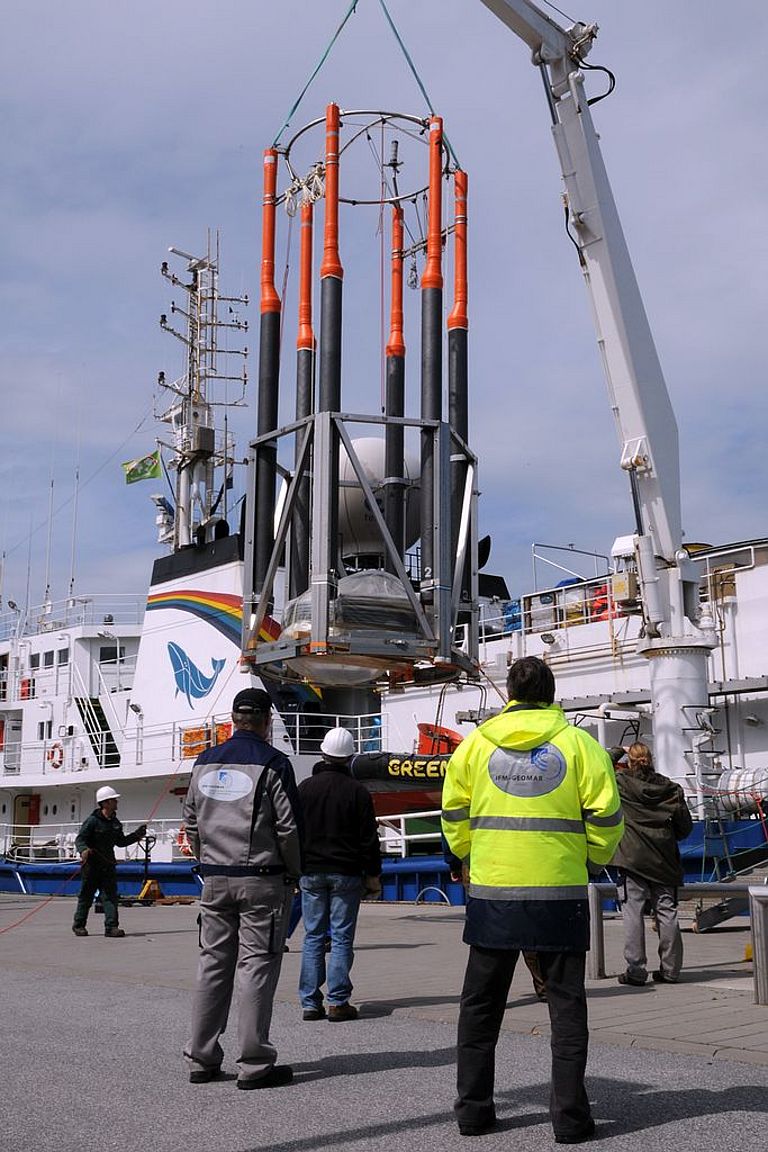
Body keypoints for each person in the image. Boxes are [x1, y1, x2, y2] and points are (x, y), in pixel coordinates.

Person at [442, 656, 623, 1144]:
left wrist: (471, 855)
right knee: (566, 1008)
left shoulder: (475, 745)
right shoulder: (579, 745)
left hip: (493, 894)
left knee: (480, 1007)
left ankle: (474, 1112)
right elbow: (607, 817)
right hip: (559, 893)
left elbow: (453, 814)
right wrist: (589, 861)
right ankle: (570, 1119)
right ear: (551, 693)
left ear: (510, 693)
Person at [182, 687, 302, 1089]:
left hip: (215, 878)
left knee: (212, 964)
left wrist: (207, 860)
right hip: (262, 879)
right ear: (267, 721)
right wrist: (294, 873)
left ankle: (201, 1058)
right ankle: (254, 1064)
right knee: (256, 967)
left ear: (234, 720)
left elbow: (191, 822)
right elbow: (287, 828)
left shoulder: (203, 762)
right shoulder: (274, 763)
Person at [298, 726, 381, 1022]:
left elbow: (293, 832)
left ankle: (310, 1003)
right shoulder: (357, 791)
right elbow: (368, 839)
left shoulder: (304, 788)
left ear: (323, 753)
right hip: (346, 872)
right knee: (342, 938)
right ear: (349, 757)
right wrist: (373, 875)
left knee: (313, 936)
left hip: (310, 872)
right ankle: (338, 1002)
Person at [611, 741, 693, 987]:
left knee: (633, 913)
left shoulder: (621, 783)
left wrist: (619, 750)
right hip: (663, 858)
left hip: (632, 858)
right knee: (667, 911)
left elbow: (601, 765)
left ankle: (636, 970)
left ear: (629, 761)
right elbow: (684, 828)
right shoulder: (671, 788)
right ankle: (671, 970)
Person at [72, 786, 146, 938]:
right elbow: (80, 840)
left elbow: (121, 842)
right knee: (86, 896)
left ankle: (111, 927)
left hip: (108, 866)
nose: (117, 802)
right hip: (91, 866)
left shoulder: (115, 823)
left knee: (110, 897)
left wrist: (137, 835)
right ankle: (79, 925)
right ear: (105, 803)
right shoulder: (92, 821)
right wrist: (84, 850)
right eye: (114, 800)